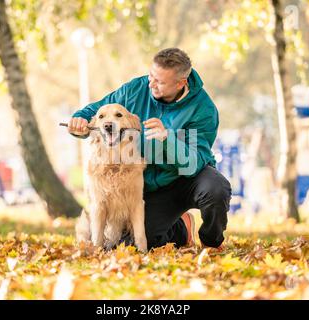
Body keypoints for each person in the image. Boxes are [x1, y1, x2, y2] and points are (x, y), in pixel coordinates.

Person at [67, 48, 231, 250]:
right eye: (151, 75)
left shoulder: (203, 109)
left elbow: (194, 161)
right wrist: (80, 120)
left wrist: (167, 139)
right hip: (150, 188)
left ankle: (211, 241)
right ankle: (181, 228)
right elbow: (98, 110)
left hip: (186, 179)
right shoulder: (135, 90)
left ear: (181, 83)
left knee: (216, 188)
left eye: (160, 81)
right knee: (129, 246)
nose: (151, 83)